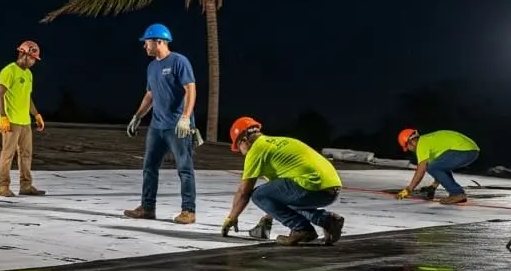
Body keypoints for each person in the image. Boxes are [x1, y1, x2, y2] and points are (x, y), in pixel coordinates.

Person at [220, 116, 345, 245]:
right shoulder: (281, 142)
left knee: (258, 195)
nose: (241, 152)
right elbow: (281, 198)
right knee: (284, 197)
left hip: (311, 186)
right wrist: (267, 217)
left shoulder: (256, 150)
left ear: (244, 140)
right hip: (330, 189)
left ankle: (301, 229)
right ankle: (327, 221)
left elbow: (243, 193)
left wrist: (231, 218)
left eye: (238, 146)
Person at [123, 23, 197, 224]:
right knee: (149, 167)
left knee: (184, 167)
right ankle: (147, 208)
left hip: (177, 126)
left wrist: (185, 118)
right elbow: (150, 95)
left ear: (159, 41)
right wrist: (137, 117)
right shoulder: (152, 66)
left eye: (147, 42)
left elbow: (190, 89)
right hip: (157, 126)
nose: (144, 46)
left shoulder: (179, 61)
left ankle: (188, 211)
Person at [0, 40, 46, 197]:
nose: (33, 62)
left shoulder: (29, 74)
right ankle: (3, 187)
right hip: (11, 121)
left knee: (26, 154)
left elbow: (27, 97)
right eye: (32, 58)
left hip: (25, 122)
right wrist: (3, 117)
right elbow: (0, 94)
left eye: (35, 59)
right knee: (7, 154)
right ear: (23, 54)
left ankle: (26, 186)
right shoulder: (9, 71)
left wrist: (36, 115)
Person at [397, 128, 480, 204]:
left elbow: (421, 169)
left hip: (464, 151)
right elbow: (440, 169)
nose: (409, 150)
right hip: (471, 150)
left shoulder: (422, 144)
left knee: (431, 167)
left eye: (407, 147)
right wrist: (433, 186)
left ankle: (457, 193)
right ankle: (455, 193)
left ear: (410, 142)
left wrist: (409, 189)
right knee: (437, 166)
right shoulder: (429, 141)